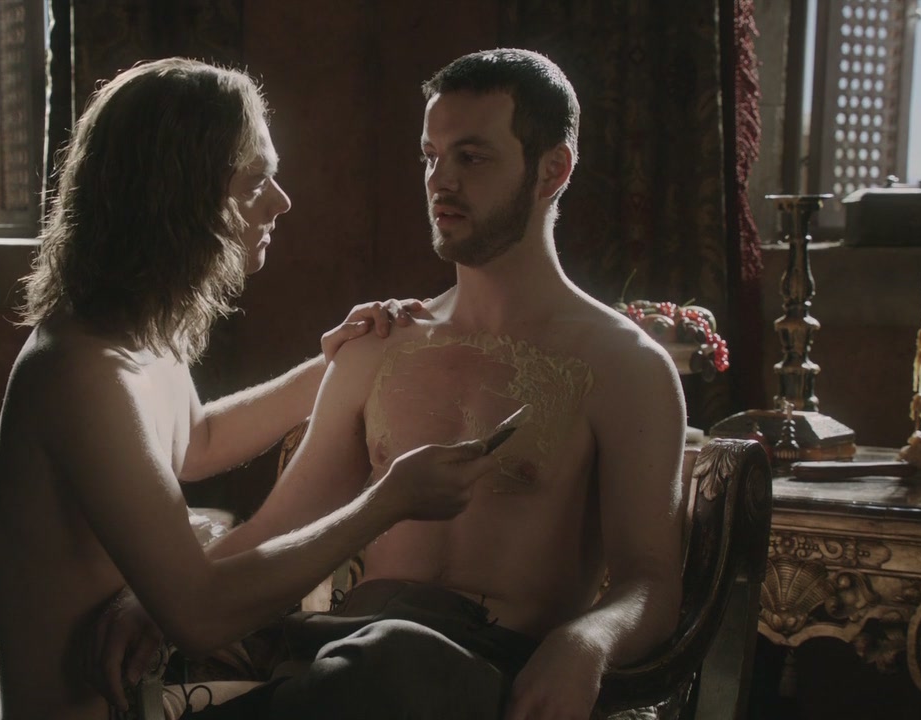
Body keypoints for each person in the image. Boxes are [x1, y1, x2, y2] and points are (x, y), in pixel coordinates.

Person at [96, 49, 688, 720]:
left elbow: (650, 583)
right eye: (430, 157)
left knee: (396, 658)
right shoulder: (384, 343)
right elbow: (276, 527)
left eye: (472, 157)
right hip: (349, 657)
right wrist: (162, 600)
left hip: (483, 672)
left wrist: (586, 641)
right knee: (366, 657)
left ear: (552, 170)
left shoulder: (624, 364)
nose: (442, 181)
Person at [0, 57, 500, 720]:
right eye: (256, 180)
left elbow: (196, 441)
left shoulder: (134, 332)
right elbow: (199, 615)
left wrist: (335, 365)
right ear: (179, 195)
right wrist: (387, 502)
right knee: (400, 667)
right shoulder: (80, 371)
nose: (280, 201)